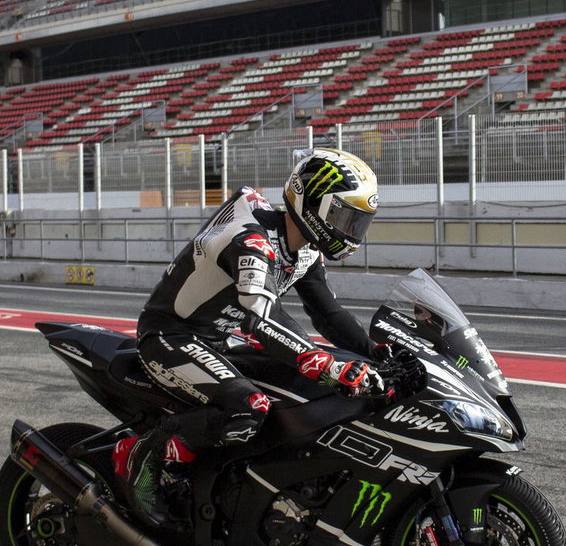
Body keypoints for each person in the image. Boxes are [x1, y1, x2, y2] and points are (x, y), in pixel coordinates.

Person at [120, 146, 394, 525]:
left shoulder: (305, 250)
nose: (350, 231)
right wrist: (327, 365)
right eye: (343, 217)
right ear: (312, 204)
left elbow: (328, 315)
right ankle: (146, 453)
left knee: (291, 390)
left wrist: (376, 352)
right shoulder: (251, 240)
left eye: (357, 221)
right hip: (171, 336)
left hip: (218, 339)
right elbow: (260, 320)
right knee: (249, 406)